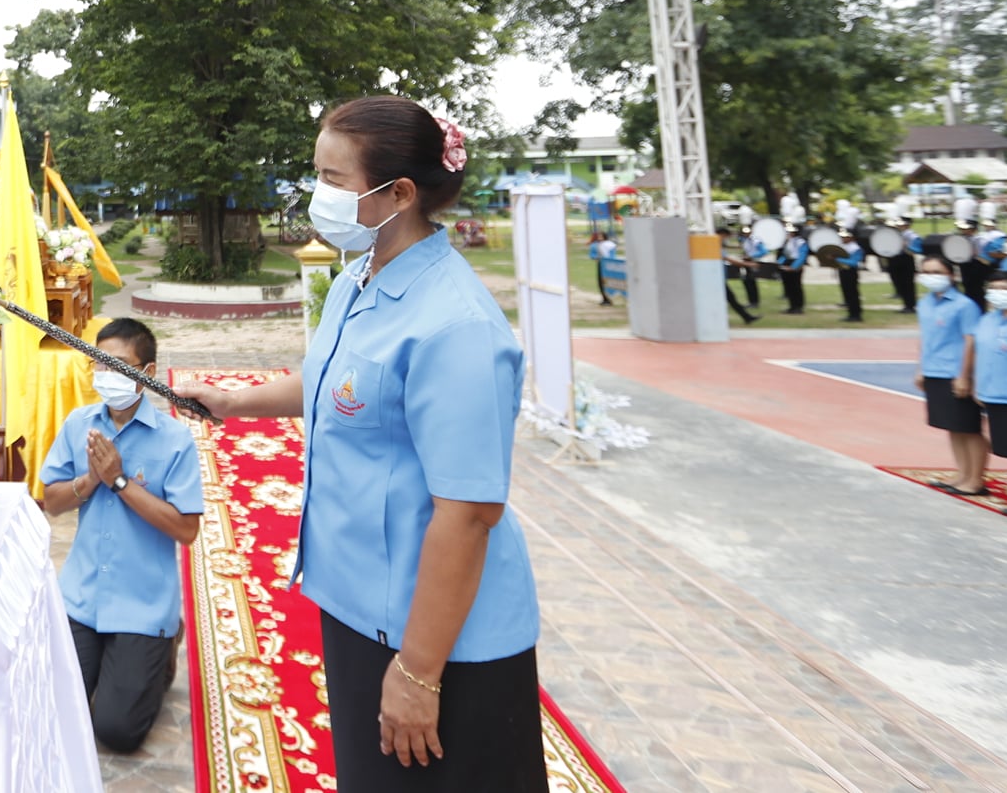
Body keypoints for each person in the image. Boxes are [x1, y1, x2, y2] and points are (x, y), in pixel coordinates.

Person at [174, 97, 545, 790]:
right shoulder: (359, 277)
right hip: (357, 603)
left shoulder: (454, 326)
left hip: (437, 633)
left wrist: (417, 670)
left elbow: (467, 514)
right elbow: (329, 378)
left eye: (334, 178)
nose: (317, 194)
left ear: (398, 192)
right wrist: (233, 402)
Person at [40, 317, 202, 753]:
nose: (106, 376)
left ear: (146, 374)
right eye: (99, 364)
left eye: (119, 365)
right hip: (83, 592)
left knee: (116, 730)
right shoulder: (80, 424)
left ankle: (164, 645)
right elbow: (51, 501)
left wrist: (120, 481)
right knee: (54, 708)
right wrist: (90, 480)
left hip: (143, 601)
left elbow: (187, 529)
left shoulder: (174, 440)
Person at [915, 256, 987, 496]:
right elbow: (925, 338)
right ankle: (962, 473)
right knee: (953, 427)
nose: (931, 276)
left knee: (969, 428)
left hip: (955, 372)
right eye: (926, 271)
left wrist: (964, 376)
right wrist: (921, 369)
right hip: (934, 370)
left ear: (951, 275)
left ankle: (975, 479)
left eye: (937, 271)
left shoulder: (964, 305)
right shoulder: (925, 303)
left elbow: (970, 341)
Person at [972, 272, 1007, 521]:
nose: (998, 293)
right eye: (993, 288)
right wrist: (980, 387)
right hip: (996, 394)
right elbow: (985, 356)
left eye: (1005, 288)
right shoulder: (987, 320)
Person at [715, 227, 758, 325]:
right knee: (731, 298)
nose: (725, 239)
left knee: (731, 298)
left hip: (718, 278)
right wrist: (749, 264)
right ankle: (747, 317)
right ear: (722, 234)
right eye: (726, 237)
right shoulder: (714, 245)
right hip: (716, 279)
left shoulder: (717, 244)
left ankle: (747, 317)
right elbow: (728, 259)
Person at [833, 229, 865, 324]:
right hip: (843, 271)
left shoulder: (855, 248)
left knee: (852, 294)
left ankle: (856, 315)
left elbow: (854, 263)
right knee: (847, 293)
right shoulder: (843, 246)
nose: (842, 239)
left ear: (850, 238)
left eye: (845, 237)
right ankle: (851, 313)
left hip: (850, 272)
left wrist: (838, 259)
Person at [777, 226, 810, 315]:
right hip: (787, 263)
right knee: (789, 287)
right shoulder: (788, 241)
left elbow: (802, 256)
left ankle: (798, 307)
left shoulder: (801, 242)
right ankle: (792, 306)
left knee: (796, 287)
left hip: (795, 265)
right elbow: (785, 254)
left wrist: (794, 267)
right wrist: (779, 263)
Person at [586, 232, 616, 307]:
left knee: (608, 281)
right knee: (601, 282)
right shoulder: (595, 245)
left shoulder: (610, 245)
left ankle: (610, 298)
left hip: (608, 265)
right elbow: (592, 255)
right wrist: (596, 257)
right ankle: (604, 298)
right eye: (598, 237)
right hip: (600, 264)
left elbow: (612, 255)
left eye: (601, 236)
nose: (600, 238)